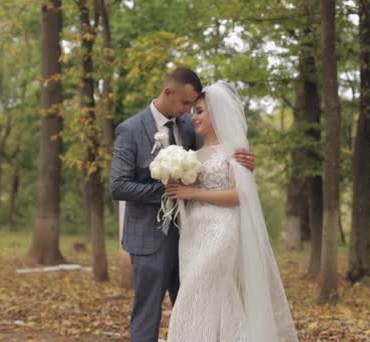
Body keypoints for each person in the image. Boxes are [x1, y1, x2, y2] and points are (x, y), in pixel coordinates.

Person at [110, 68, 255, 342]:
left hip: (194, 238)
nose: (189, 111)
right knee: (147, 315)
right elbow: (118, 186)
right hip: (149, 239)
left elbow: (219, 153)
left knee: (194, 310)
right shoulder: (130, 130)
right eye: (186, 103)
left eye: (194, 106)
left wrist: (245, 164)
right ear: (168, 92)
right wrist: (167, 192)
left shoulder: (190, 127)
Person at [165, 82, 298, 341]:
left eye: (200, 111)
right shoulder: (192, 154)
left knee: (197, 291)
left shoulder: (234, 152)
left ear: (217, 114)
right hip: (193, 235)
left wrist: (193, 193)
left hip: (221, 233)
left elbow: (239, 196)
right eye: (193, 111)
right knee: (214, 296)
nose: (194, 116)